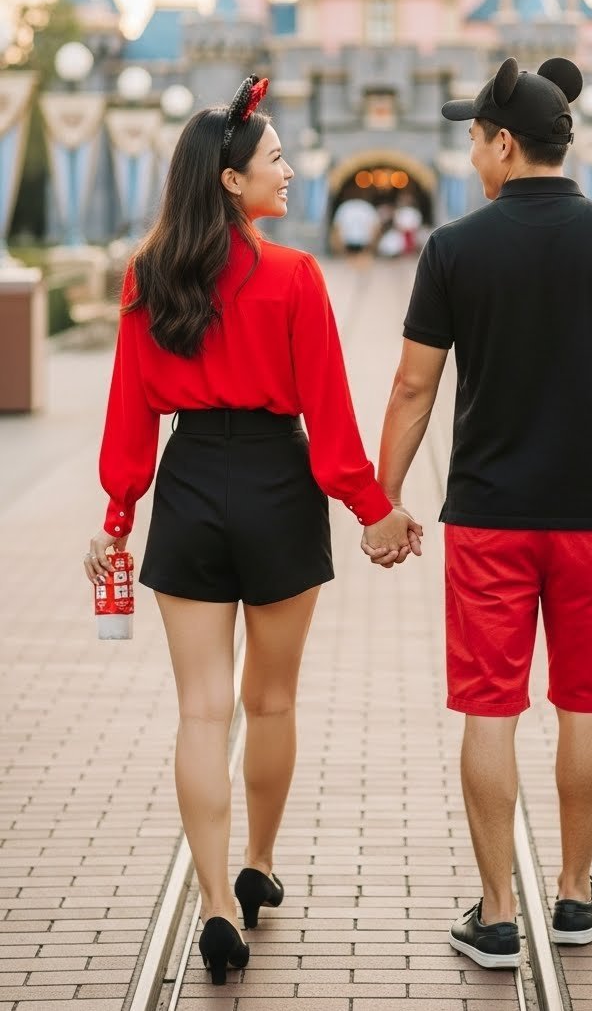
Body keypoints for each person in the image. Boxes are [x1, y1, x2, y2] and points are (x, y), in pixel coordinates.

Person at [366, 56, 592, 969]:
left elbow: (411, 386)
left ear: (505, 144)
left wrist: (383, 498)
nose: (472, 152)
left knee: (491, 707)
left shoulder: (454, 248)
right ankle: (573, 895)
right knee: (587, 701)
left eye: (475, 137)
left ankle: (495, 912)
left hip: (489, 517)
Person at [86, 76, 419, 986]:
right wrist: (374, 509)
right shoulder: (293, 277)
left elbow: (128, 416)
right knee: (269, 702)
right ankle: (258, 864)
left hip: (191, 484)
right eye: (276, 158)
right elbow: (330, 420)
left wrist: (119, 517)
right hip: (276, 485)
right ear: (232, 180)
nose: (291, 168)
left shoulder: (146, 277)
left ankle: (216, 905)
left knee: (201, 709)